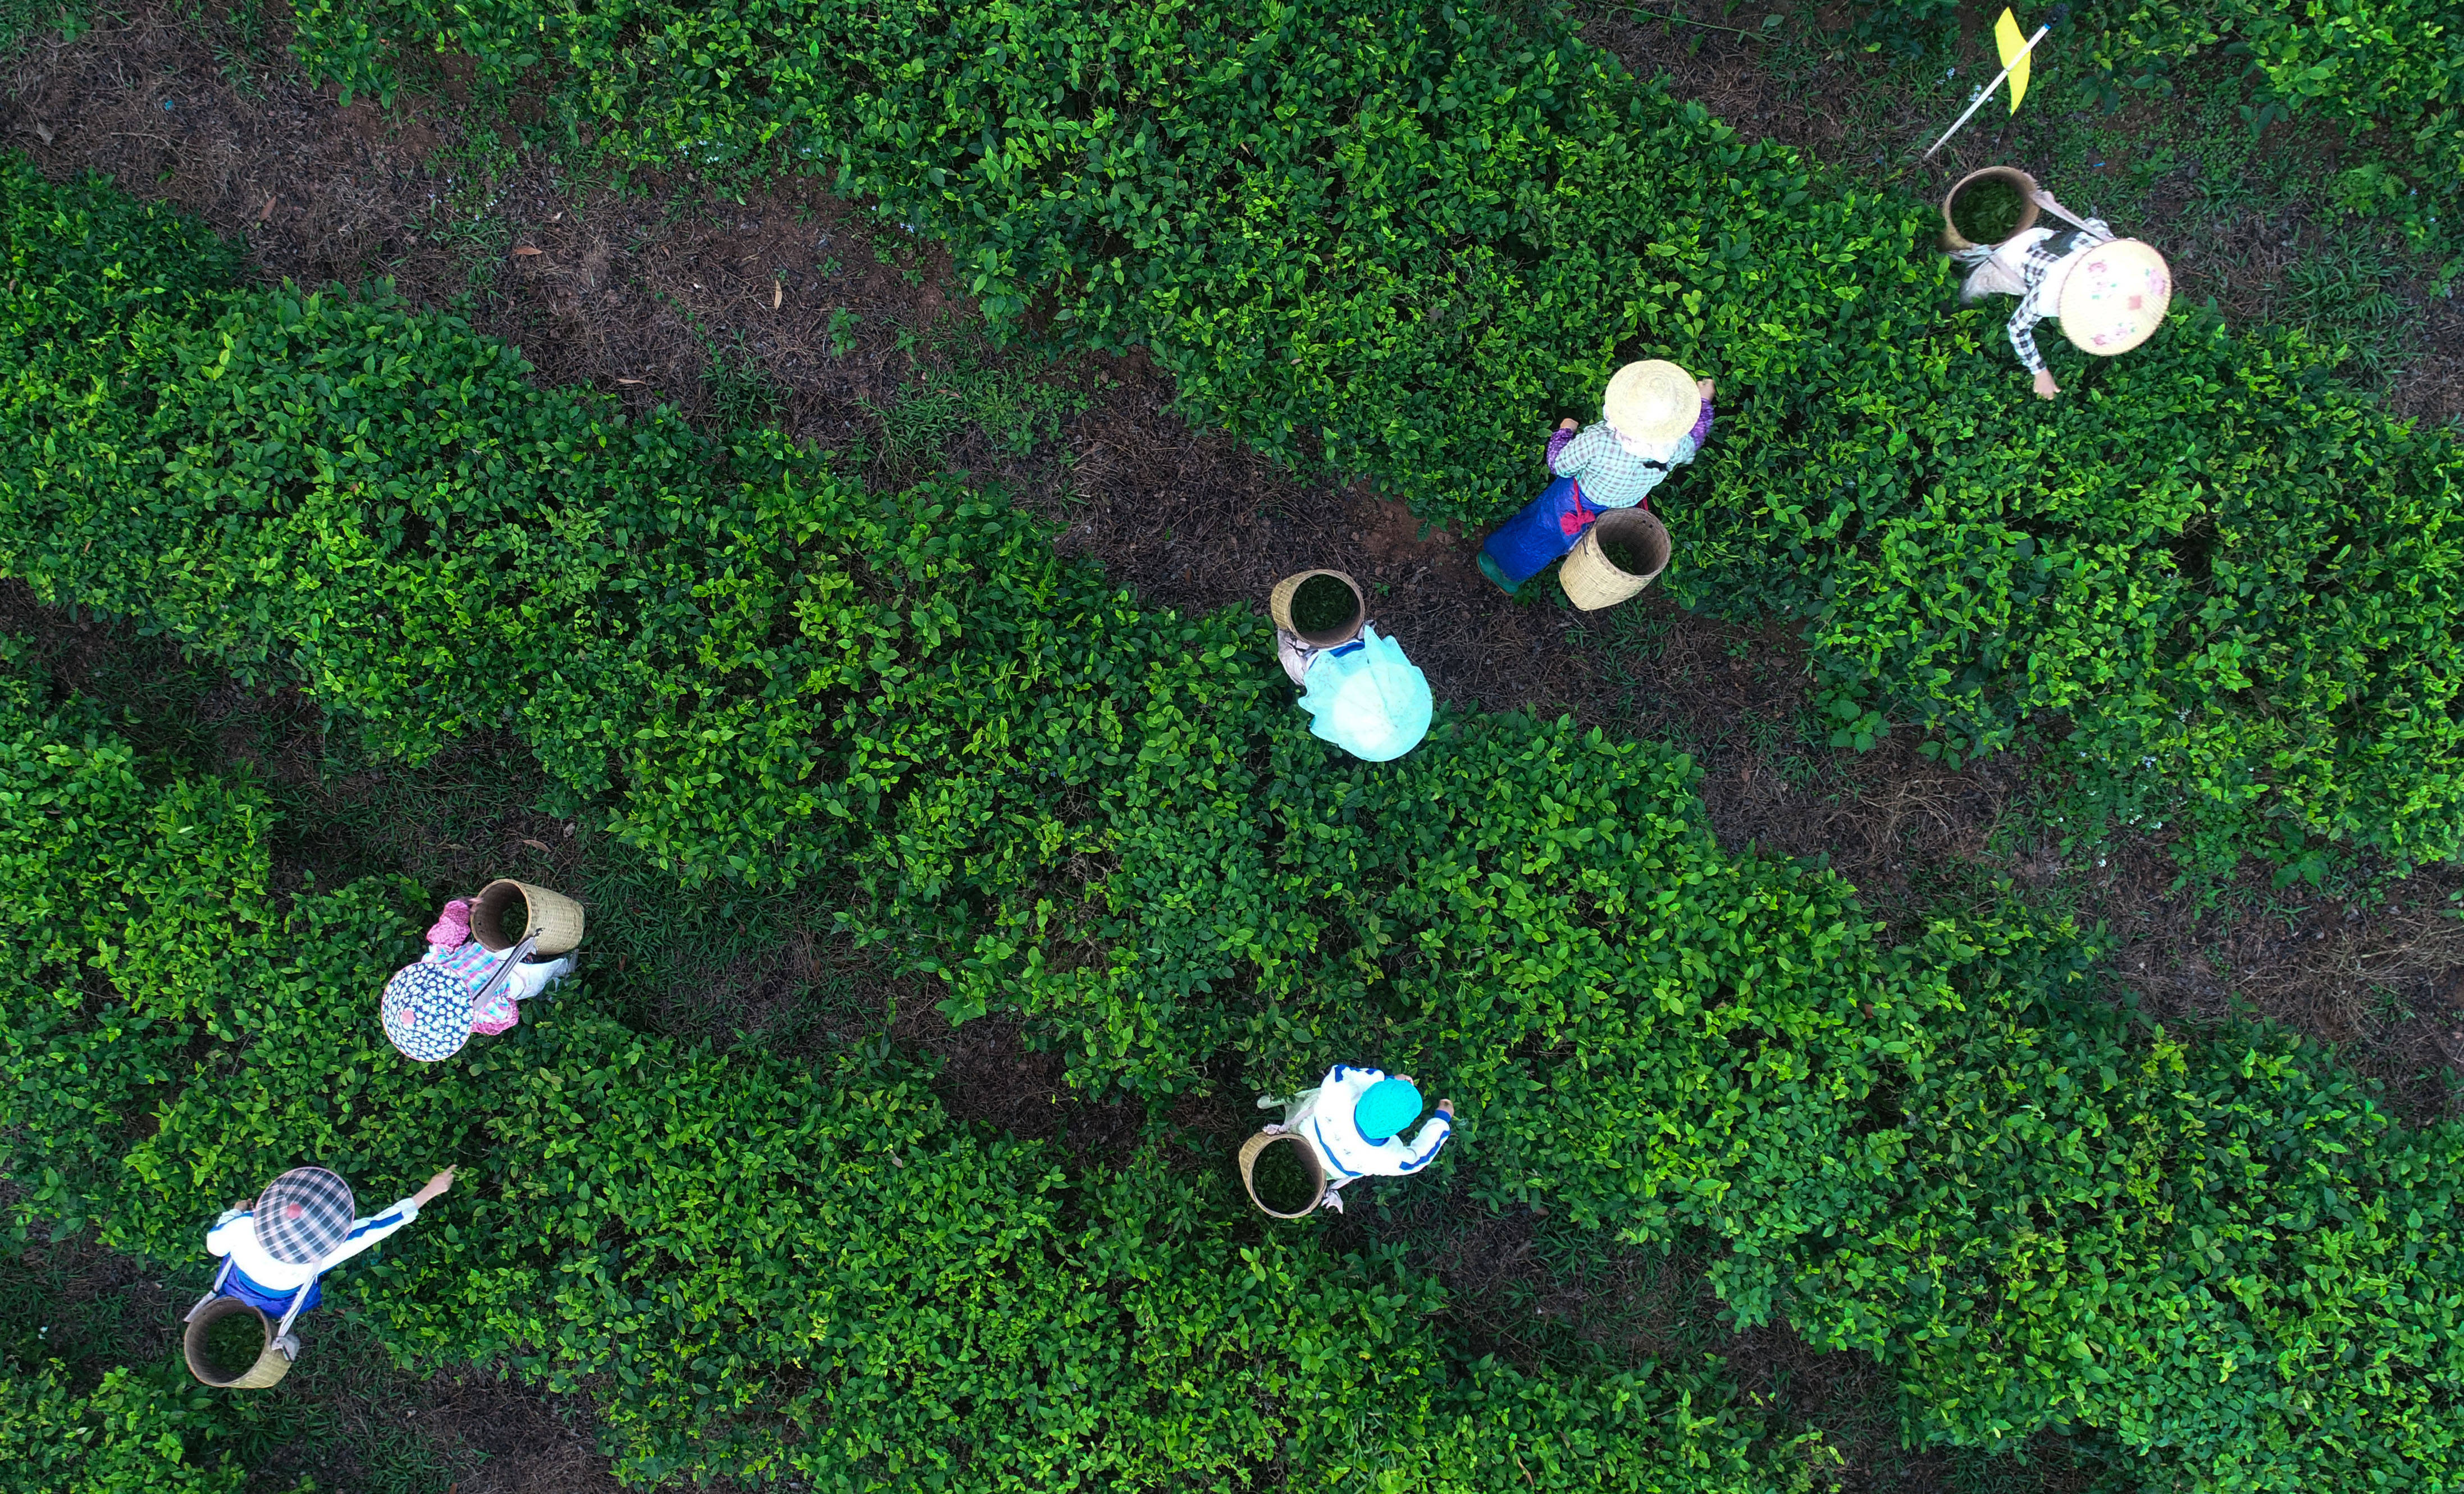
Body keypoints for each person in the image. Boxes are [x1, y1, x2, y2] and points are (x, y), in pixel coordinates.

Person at [1479, 359, 1714, 596]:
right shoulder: (1677, 447)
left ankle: (1506, 569)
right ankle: (1529, 562)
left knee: (1541, 531)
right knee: (1562, 541)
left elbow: (1559, 465)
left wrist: (1565, 430)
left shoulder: (1600, 440)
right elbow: (1697, 434)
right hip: (1615, 511)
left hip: (1572, 503)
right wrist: (1704, 402)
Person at [190, 1165, 456, 1351]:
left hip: (234, 1284)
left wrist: (234, 1213)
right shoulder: (326, 1251)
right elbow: (377, 1227)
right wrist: (430, 1191)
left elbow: (215, 1246)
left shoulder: (244, 1226)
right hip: (283, 1302)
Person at [1950, 189, 2172, 398]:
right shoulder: (2047, 296)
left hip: (2042, 238)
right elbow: (2017, 329)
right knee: (1971, 291)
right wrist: (2040, 372)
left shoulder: (2103, 245)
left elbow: (2095, 223)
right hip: (2011, 259)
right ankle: (1965, 272)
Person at [381, 896, 578, 1062]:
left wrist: (481, 1026)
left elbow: (509, 1016)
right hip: (489, 947)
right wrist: (458, 909)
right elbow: (445, 937)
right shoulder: (433, 966)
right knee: (519, 947)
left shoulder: (479, 1012)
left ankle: (564, 970)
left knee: (545, 975)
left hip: (521, 973)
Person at [1257, 1064, 1454, 1213]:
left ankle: (1281, 1108)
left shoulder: (1340, 1090)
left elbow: (1342, 1071)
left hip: (1303, 1132)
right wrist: (1442, 1120)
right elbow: (1418, 1159)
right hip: (1324, 1167)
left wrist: (1388, 1080)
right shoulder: (1386, 1158)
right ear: (1401, 1127)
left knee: (1316, 1099)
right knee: (1337, 1169)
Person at [1274, 623, 1432, 762]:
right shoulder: (1353, 727)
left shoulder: (1398, 686)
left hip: (1354, 640)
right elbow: (1324, 724)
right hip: (1314, 660)